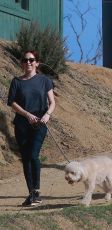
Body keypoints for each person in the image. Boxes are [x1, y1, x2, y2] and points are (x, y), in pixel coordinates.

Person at [7, 50, 55, 206]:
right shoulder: (16, 82)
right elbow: (13, 103)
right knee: (26, 157)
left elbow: (52, 102)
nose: (28, 62)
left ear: (37, 63)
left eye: (31, 60)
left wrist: (47, 114)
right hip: (22, 124)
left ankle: (37, 192)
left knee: (33, 154)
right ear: (21, 63)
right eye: (25, 60)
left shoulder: (44, 80)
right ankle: (31, 194)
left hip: (40, 123)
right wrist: (27, 115)